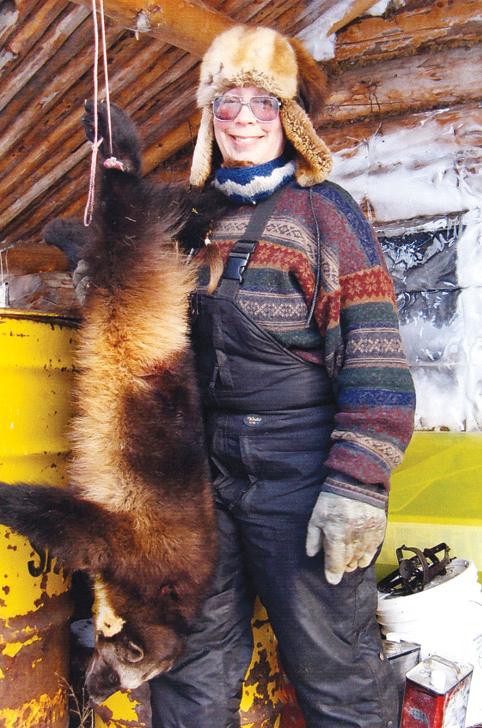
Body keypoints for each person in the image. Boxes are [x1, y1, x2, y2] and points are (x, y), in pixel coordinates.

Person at [146, 24, 416, 728]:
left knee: (335, 675)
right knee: (189, 668)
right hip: (200, 477)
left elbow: (377, 367)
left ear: (288, 117)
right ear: (209, 117)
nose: (241, 118)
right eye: (225, 102)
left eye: (260, 103)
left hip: (299, 475)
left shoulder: (324, 216)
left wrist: (355, 487)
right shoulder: (186, 220)